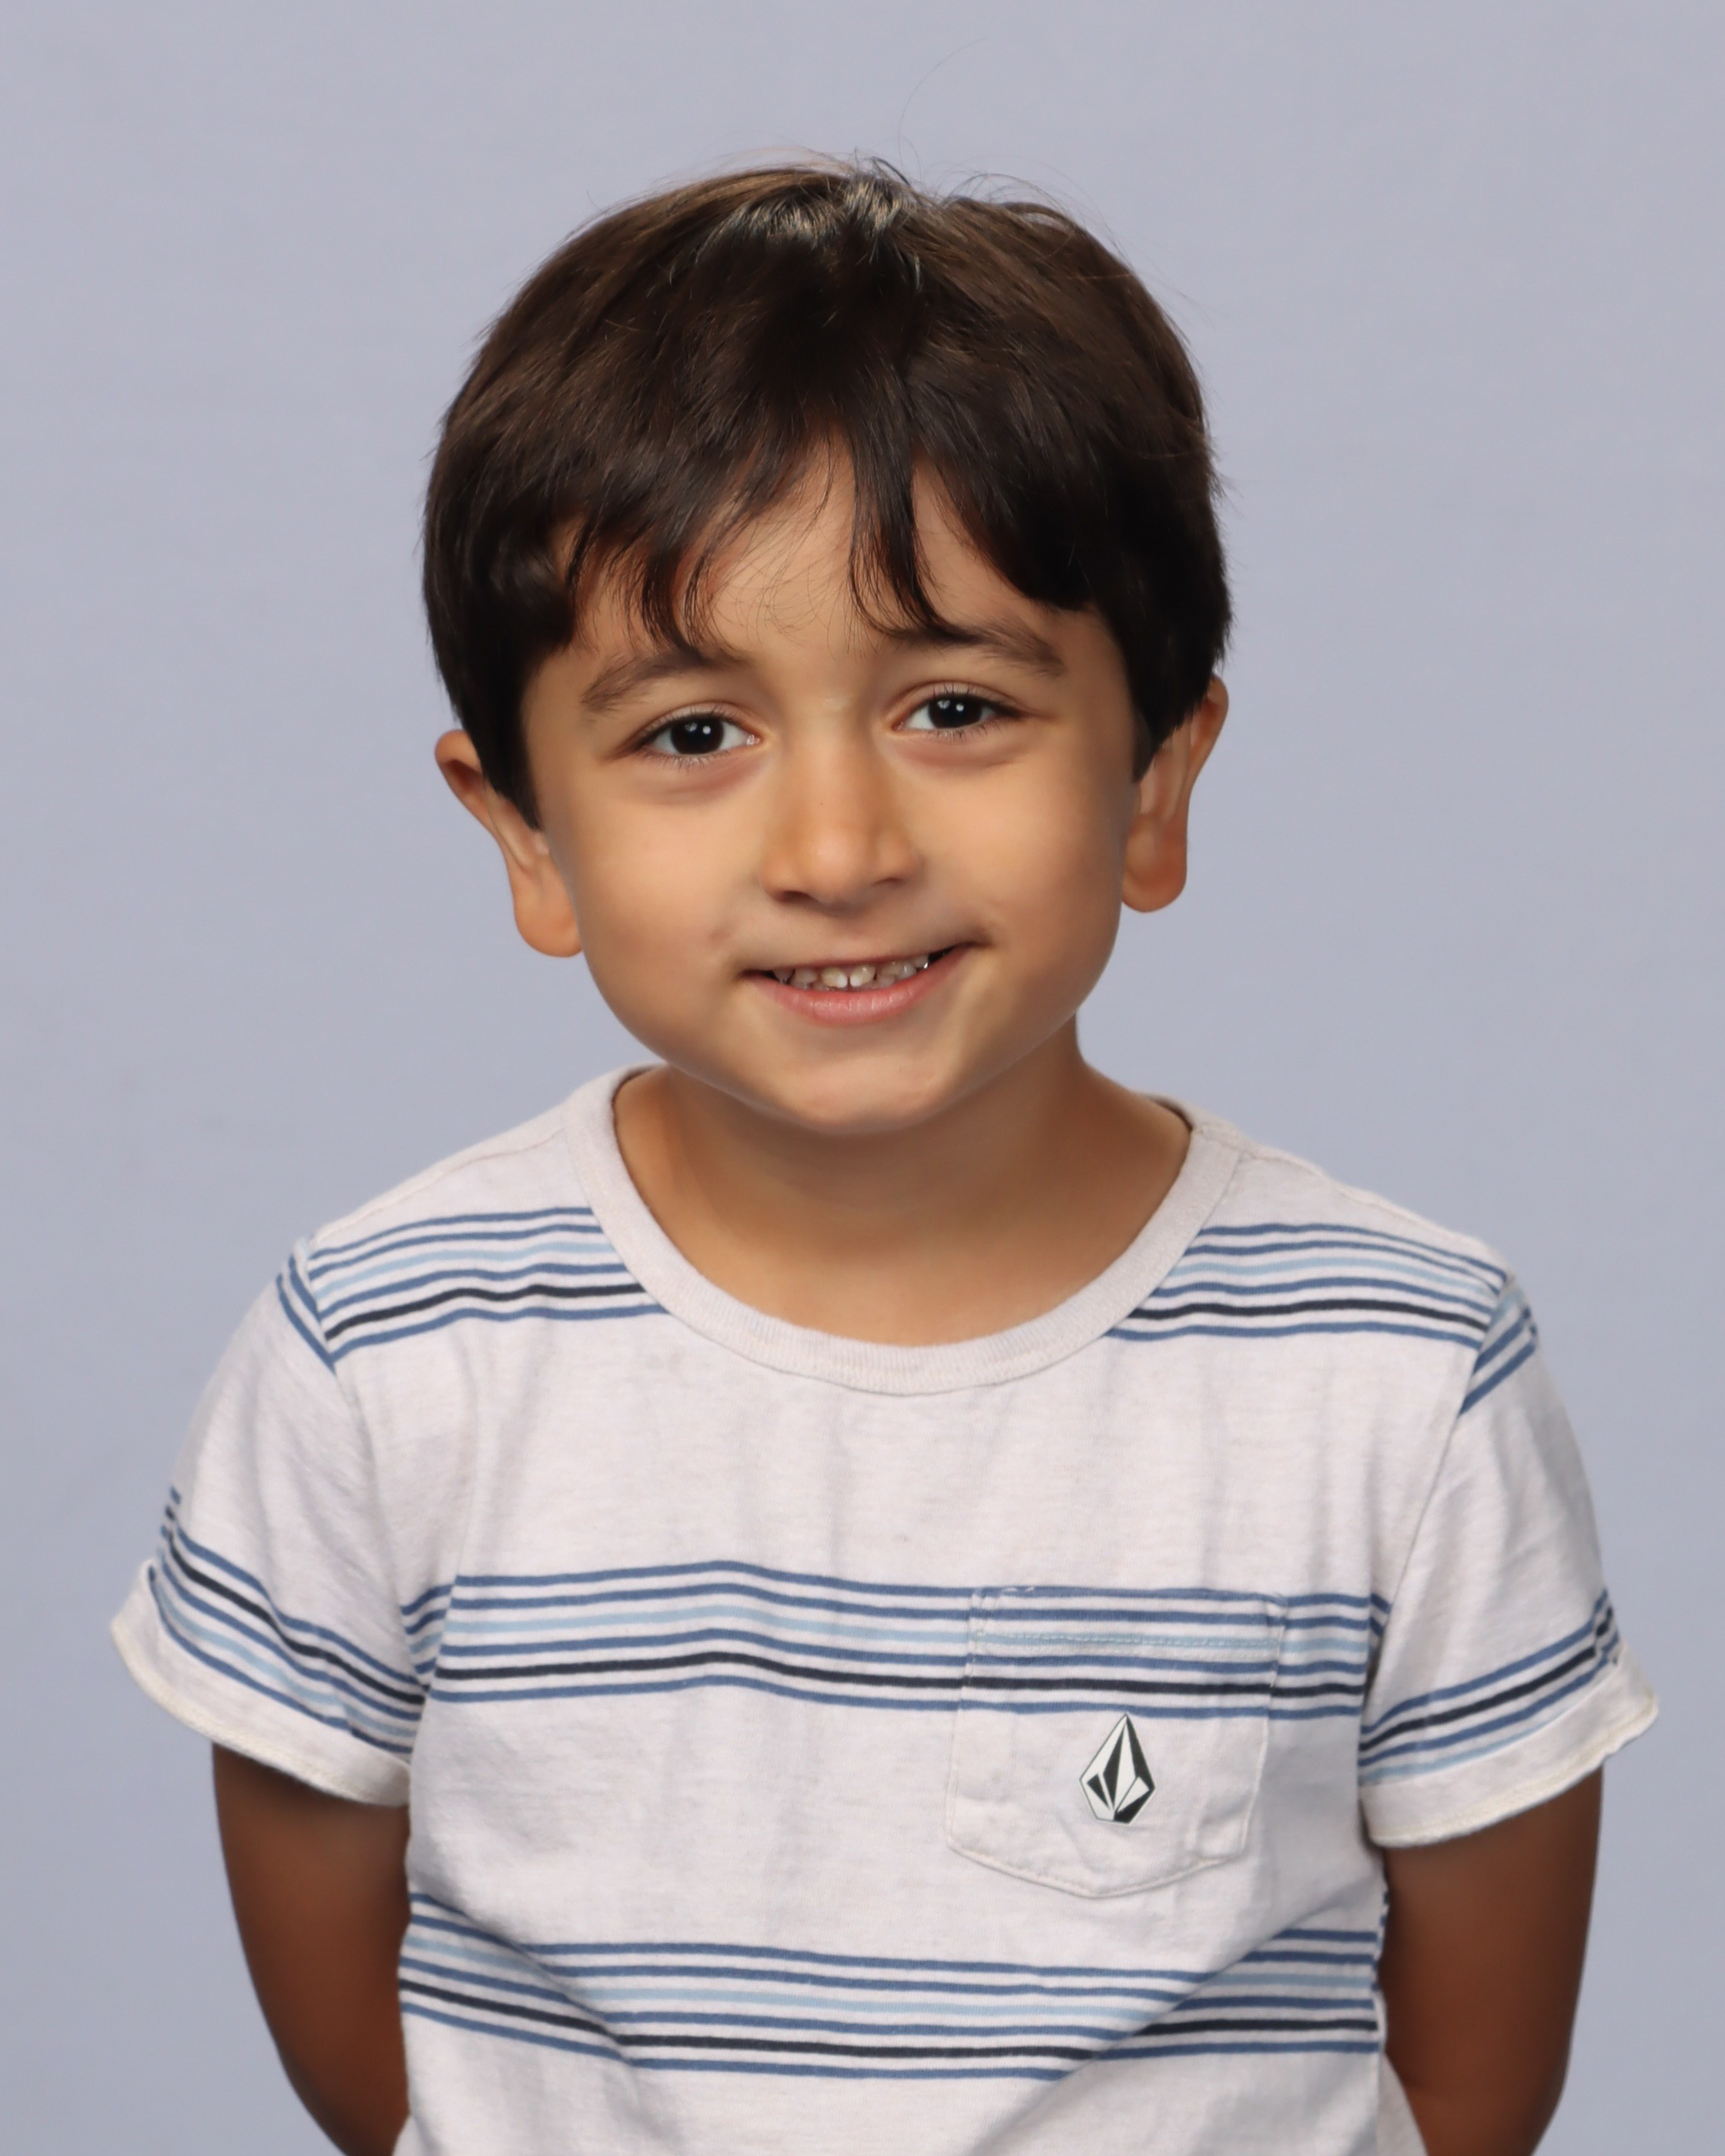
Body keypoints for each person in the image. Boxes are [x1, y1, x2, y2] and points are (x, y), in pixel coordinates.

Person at [112, 162, 1655, 2156]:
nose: (838, 850)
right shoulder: (382, 1353)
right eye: (693, 734)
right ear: (526, 837)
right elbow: (374, 2046)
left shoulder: (1399, 1374)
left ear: (1155, 783)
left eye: (955, 706)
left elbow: (1472, 2080)